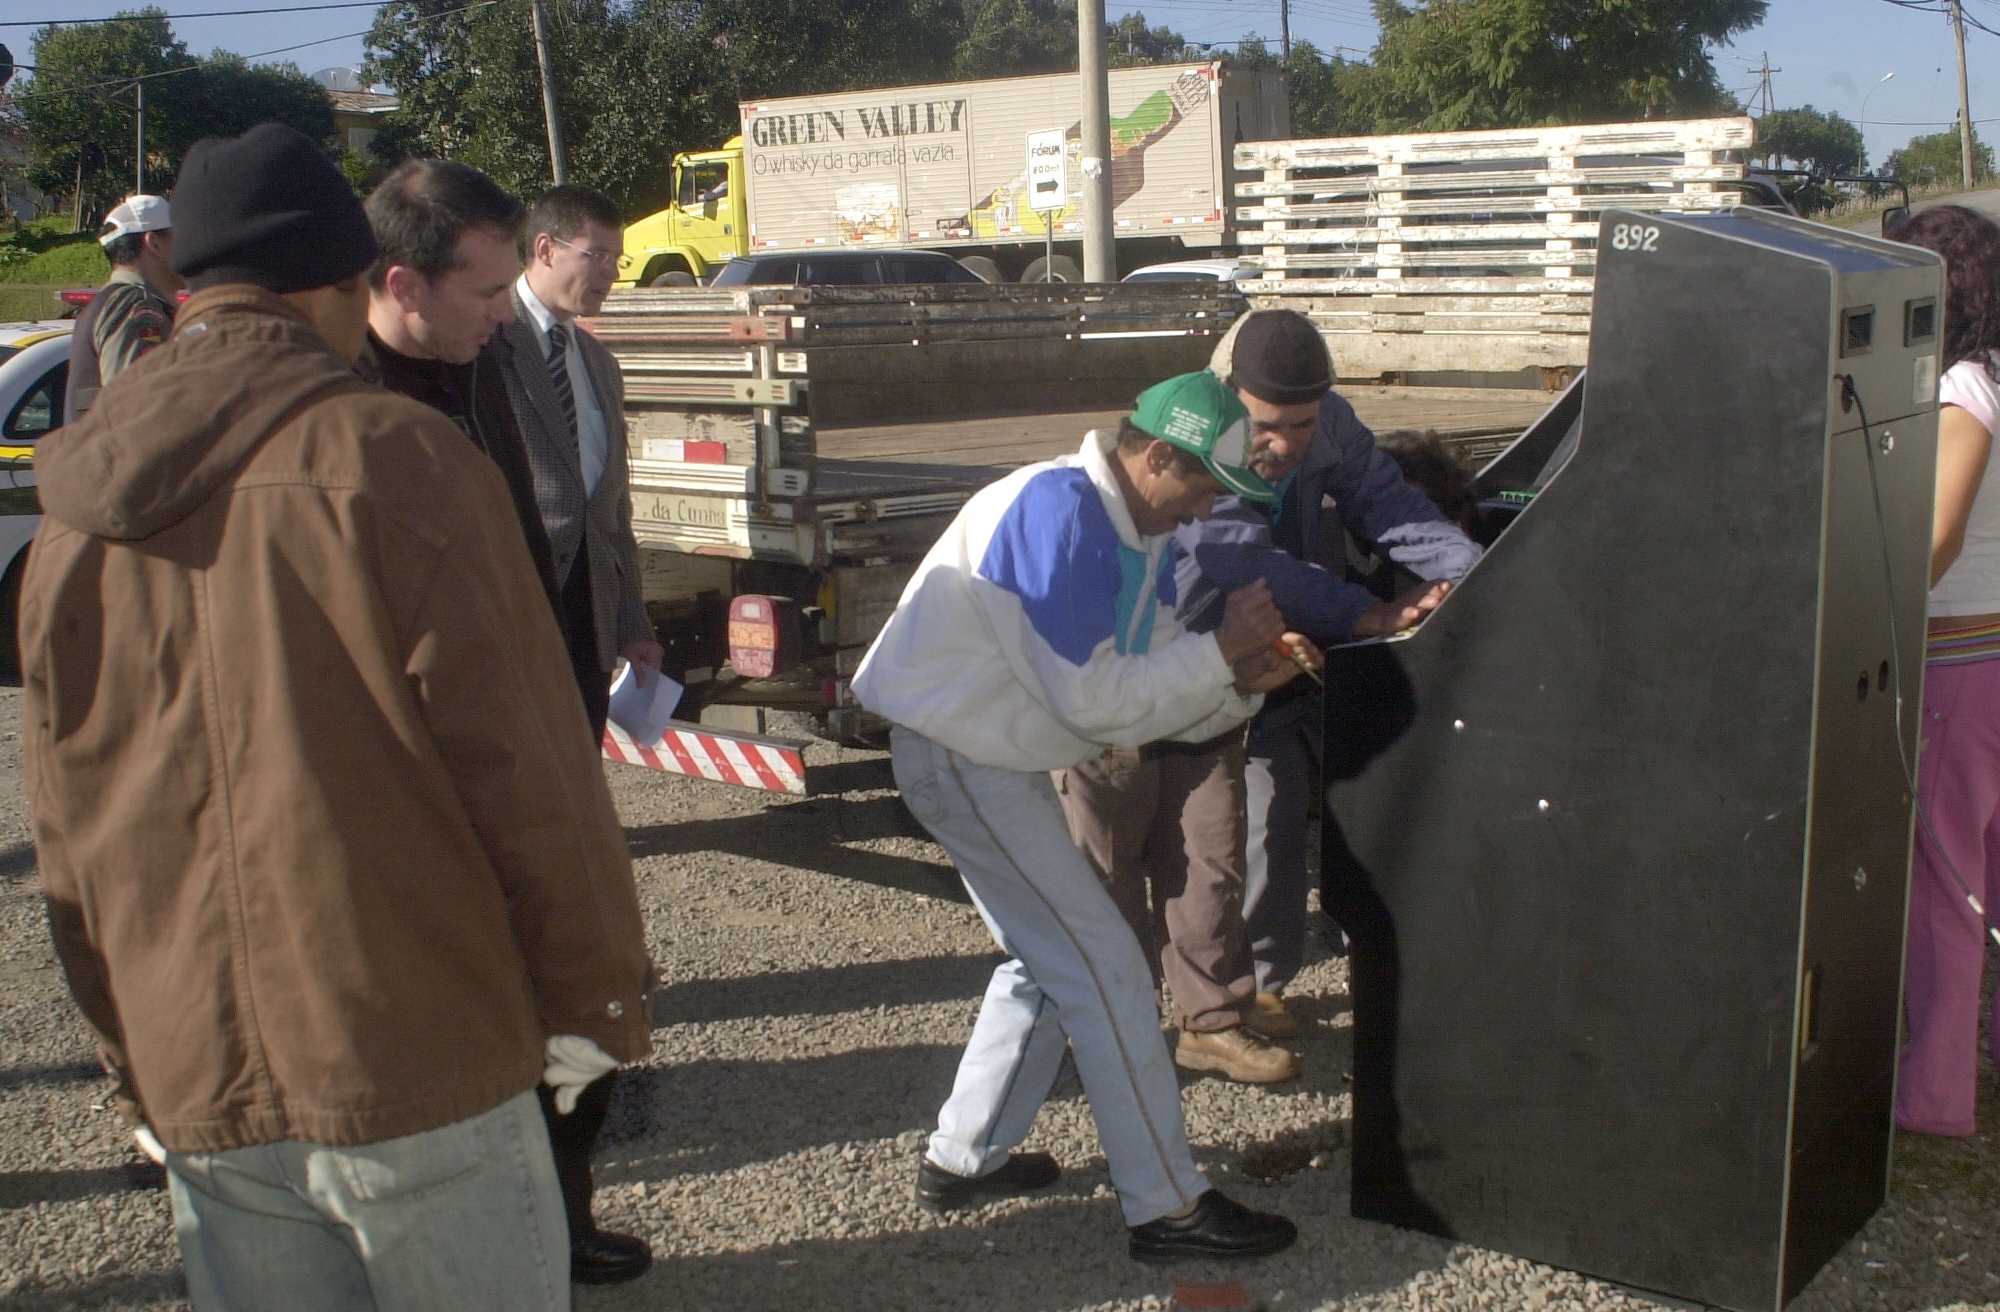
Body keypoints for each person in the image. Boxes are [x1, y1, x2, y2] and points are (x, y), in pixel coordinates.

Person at [19, 122, 652, 1311]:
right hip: (412, 1059)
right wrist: (594, 999)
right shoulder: (397, 463)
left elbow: (67, 830)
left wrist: (132, 1055)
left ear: (187, 277)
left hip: (198, 1071)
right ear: (342, 279)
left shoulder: (71, 518)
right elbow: (527, 774)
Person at [854, 369, 1314, 1262]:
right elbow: (1100, 703)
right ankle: (1168, 1207)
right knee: (1104, 965)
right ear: (1154, 456)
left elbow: (1142, 690)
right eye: (1204, 488)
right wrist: (1224, 656)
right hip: (967, 759)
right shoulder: (1058, 513)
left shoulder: (1120, 525)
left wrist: (1239, 684)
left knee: (1050, 962)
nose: (1204, 512)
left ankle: (965, 1157)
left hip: (983, 756)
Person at [1176, 309, 1482, 1038]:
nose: (1282, 445)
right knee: (1255, 818)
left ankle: (1329, 960)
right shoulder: (1196, 434)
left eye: (1302, 426)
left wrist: (1476, 574)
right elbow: (1243, 561)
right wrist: (1367, 615)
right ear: (1232, 396)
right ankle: (1246, 990)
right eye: (1267, 426)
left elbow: (1387, 499)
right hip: (1207, 653)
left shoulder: (1333, 422)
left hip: (1304, 642)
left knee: (1341, 793)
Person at [487, 183, 662, 1282]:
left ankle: (562, 1201)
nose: (606, 274)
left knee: (569, 885)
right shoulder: (482, 345)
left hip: (580, 640)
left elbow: (610, 510)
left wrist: (634, 622)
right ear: (542, 248)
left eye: (614, 258)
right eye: (595, 256)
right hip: (501, 645)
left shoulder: (593, 362)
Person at [1887, 204, 2000, 1137]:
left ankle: (1932, 1094)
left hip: (1962, 654)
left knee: (1945, 882)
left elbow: (1939, 532)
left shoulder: (1965, 387)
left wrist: (1870, 611)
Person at [360, 158, 557, 616]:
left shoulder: (480, 362)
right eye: (488, 293)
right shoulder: (338, 408)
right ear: (406, 287)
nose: (507, 313)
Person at [64, 193, 182, 423]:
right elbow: (134, 412)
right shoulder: (135, 305)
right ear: (154, 243)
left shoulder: (110, 300)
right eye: (179, 237)